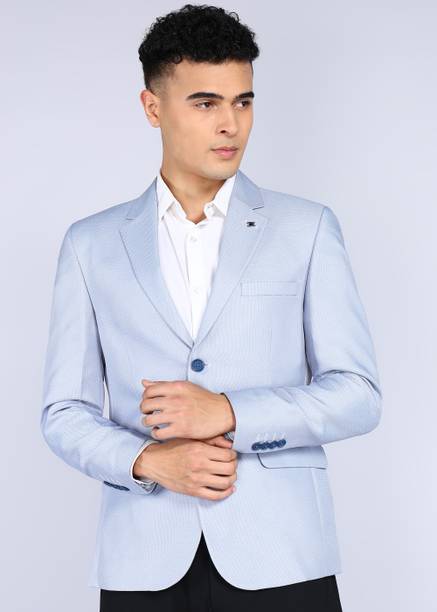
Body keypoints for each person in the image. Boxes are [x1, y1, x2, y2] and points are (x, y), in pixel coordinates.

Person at [41, 4, 382, 611]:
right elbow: (64, 411)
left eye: (242, 102)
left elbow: (358, 394)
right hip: (144, 560)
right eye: (205, 103)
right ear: (152, 108)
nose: (231, 124)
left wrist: (227, 411)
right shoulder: (90, 244)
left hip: (282, 555)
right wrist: (147, 461)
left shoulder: (306, 229)